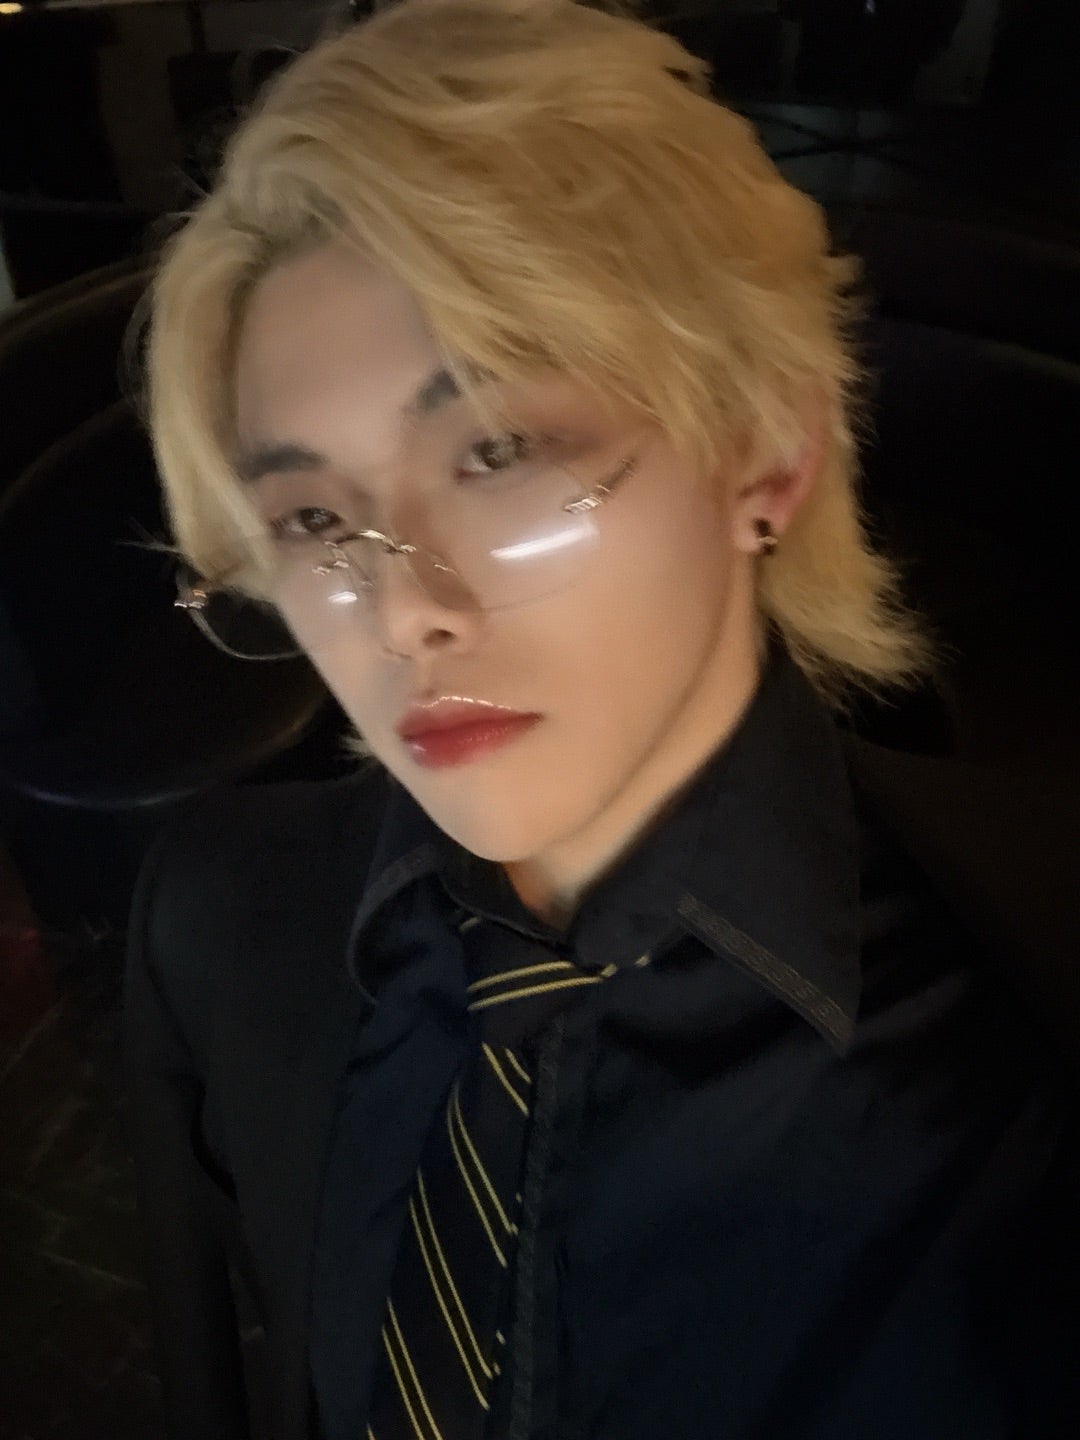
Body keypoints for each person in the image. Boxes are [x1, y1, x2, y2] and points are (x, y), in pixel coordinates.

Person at [122, 2, 1078, 1438]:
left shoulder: (1019, 1032)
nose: (404, 612)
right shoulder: (218, 928)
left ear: (766, 451)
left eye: (499, 450)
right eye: (314, 520)